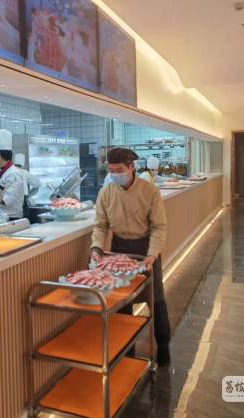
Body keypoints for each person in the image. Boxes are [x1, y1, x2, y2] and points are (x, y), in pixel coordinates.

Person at [90, 147, 171, 366]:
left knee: (156, 299)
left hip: (145, 249)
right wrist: (96, 249)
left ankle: (163, 346)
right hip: (119, 249)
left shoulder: (149, 191)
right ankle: (127, 353)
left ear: (131, 167)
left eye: (119, 170)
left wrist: (152, 254)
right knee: (122, 303)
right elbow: (100, 226)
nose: (115, 174)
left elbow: (159, 227)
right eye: (111, 170)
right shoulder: (106, 192)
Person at [0, 129, 24, 221]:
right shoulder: (4, 172)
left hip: (12, 218)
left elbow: (7, 199)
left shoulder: (14, 174)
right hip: (2, 216)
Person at [14, 153, 41, 221]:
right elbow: (38, 183)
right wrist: (29, 194)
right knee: (24, 219)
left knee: (15, 219)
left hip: (11, 200)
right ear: (22, 164)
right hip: (22, 199)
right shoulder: (24, 172)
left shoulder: (8, 172)